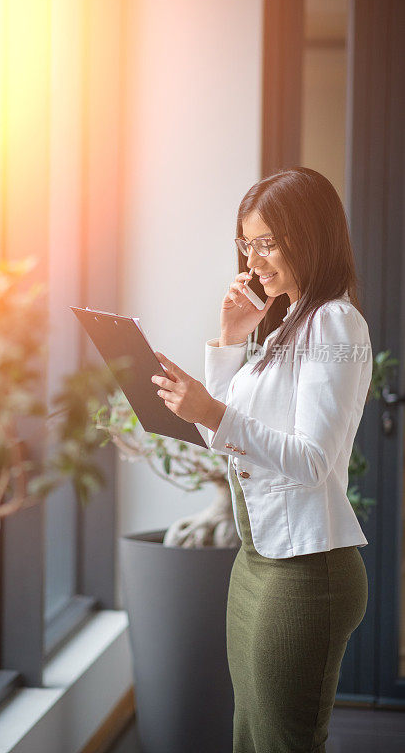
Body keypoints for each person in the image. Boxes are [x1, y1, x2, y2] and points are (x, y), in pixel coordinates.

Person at [150, 166, 371, 752]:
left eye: (269, 243)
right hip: (259, 559)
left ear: (312, 236)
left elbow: (310, 462)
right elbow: (225, 436)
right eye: (247, 244)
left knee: (282, 741)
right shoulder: (286, 326)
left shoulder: (333, 322)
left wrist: (213, 412)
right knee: (250, 735)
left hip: (306, 573)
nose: (254, 261)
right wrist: (229, 339)